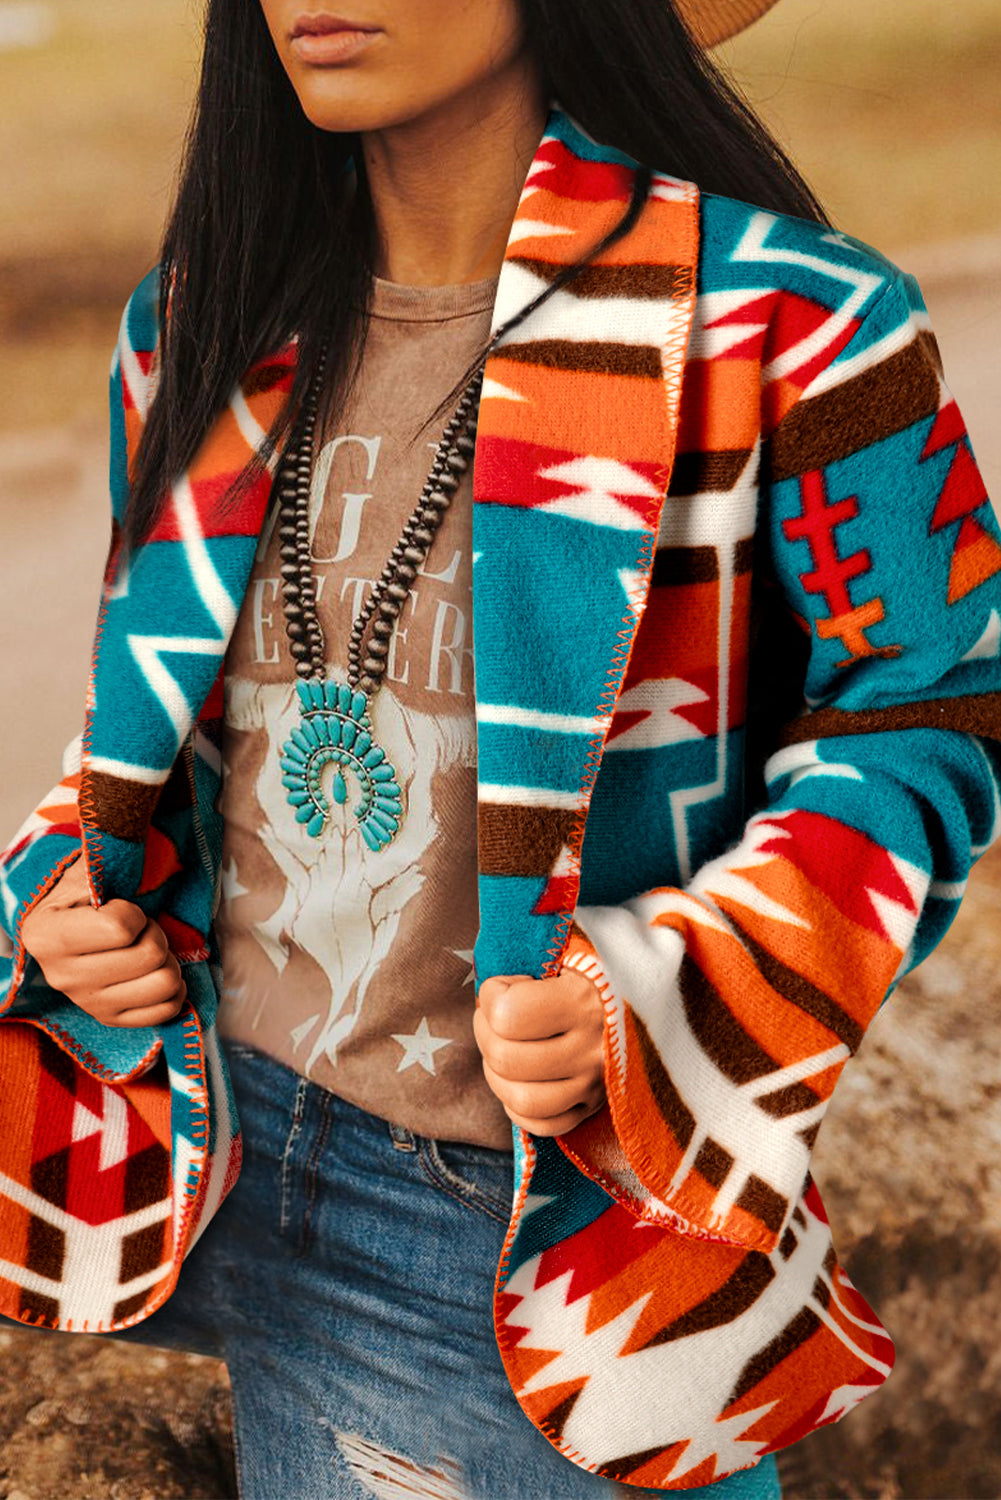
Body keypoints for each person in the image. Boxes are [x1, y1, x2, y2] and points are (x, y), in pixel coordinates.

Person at [1, 0, 999, 1496]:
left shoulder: (790, 321)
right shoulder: (204, 316)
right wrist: (65, 882)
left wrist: (659, 992)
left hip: (499, 1222)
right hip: (186, 1138)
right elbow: (177, 718)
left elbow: (930, 716)